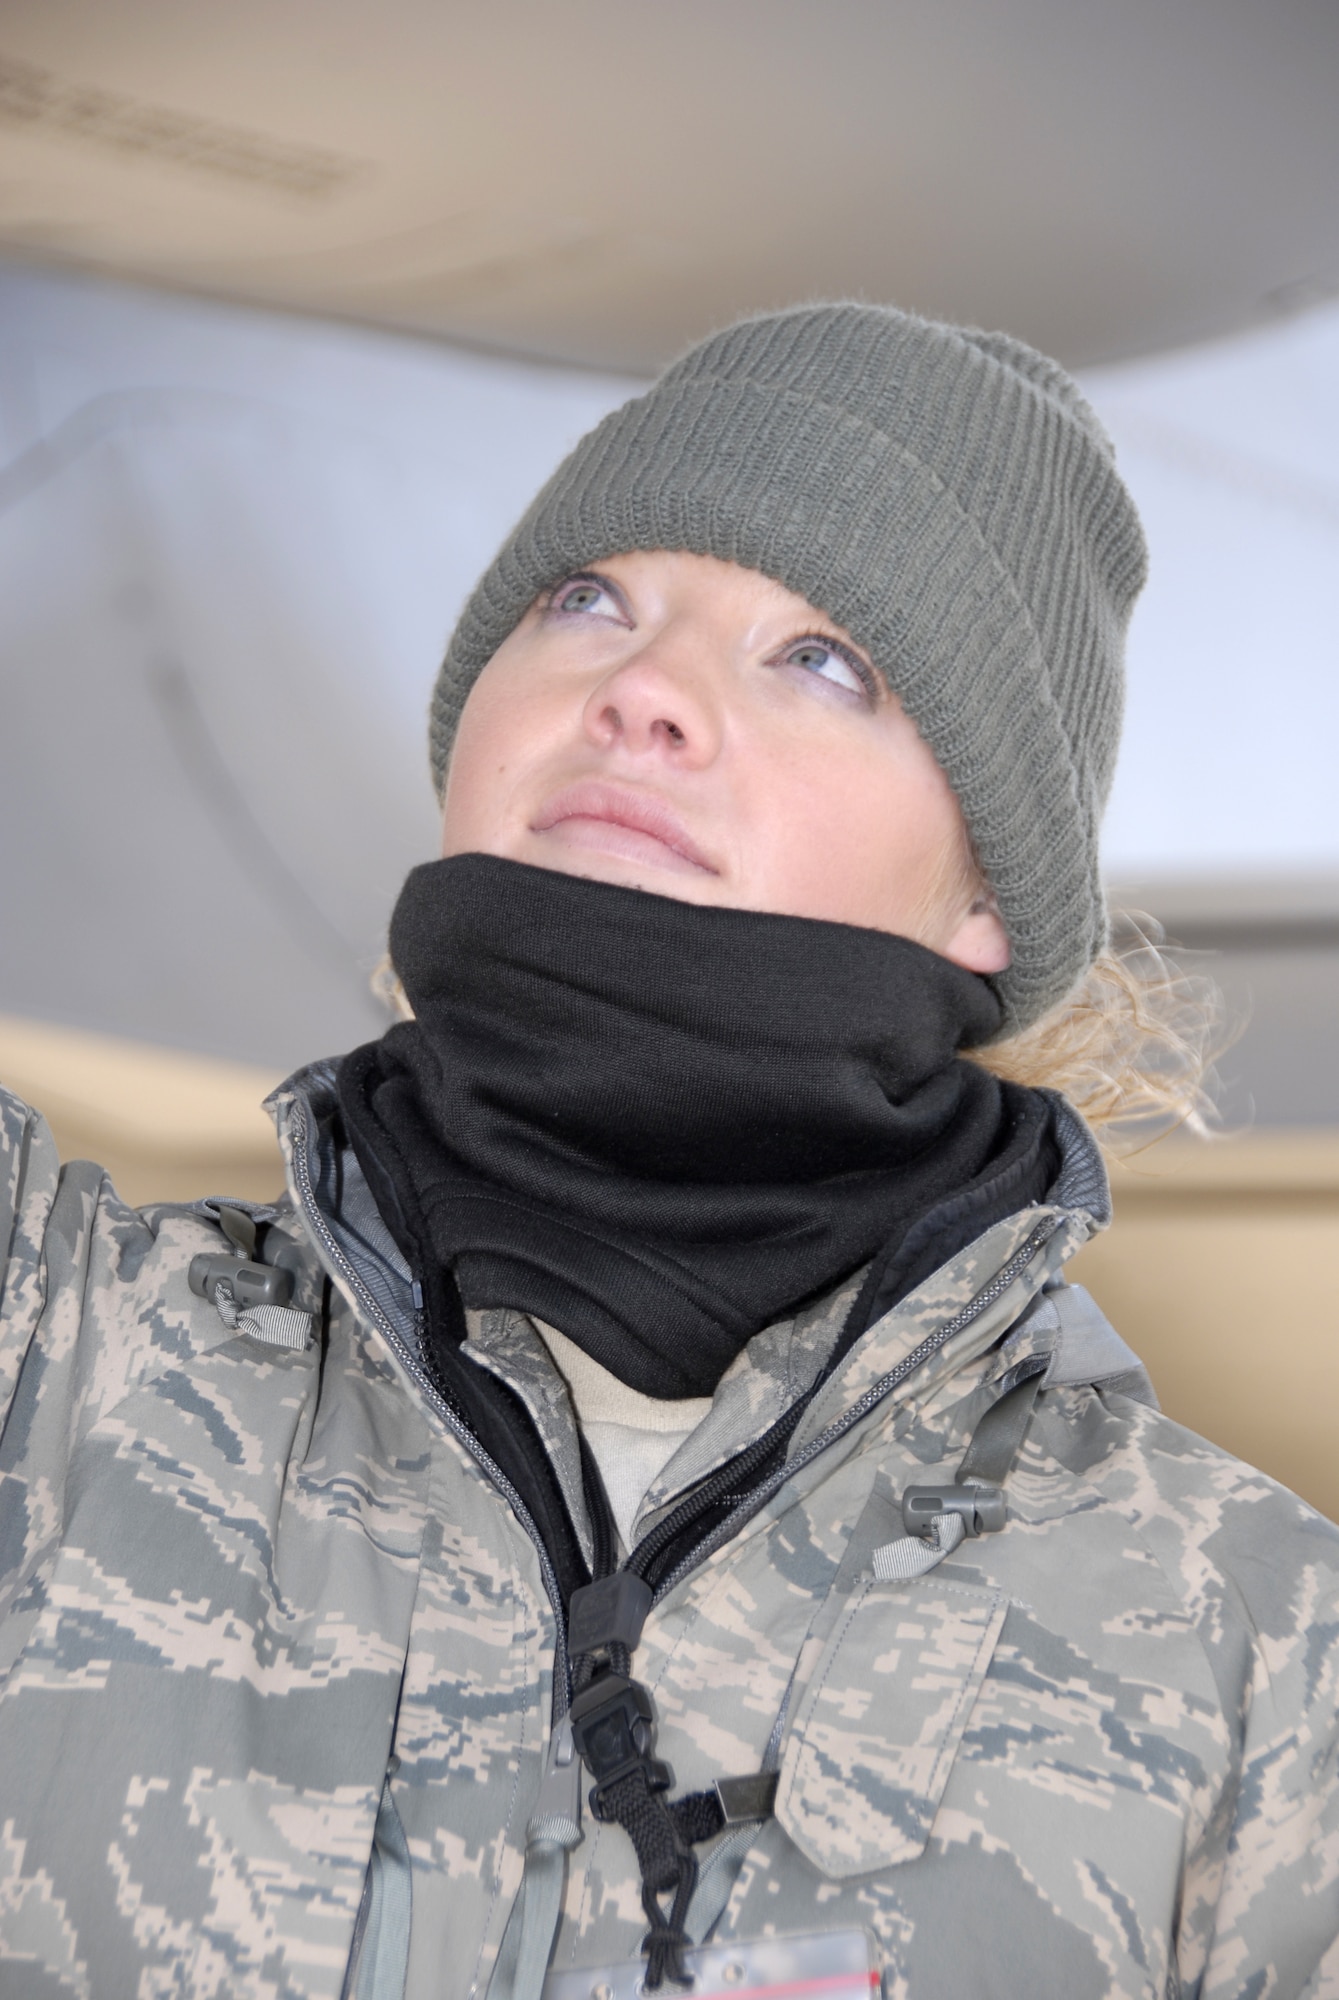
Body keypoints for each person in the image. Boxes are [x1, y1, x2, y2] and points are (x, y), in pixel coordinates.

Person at [1, 304, 1335, 2000]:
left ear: (989, 893)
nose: (642, 693)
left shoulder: (1256, 1660)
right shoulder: (58, 1351)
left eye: (822, 660)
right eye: (588, 599)